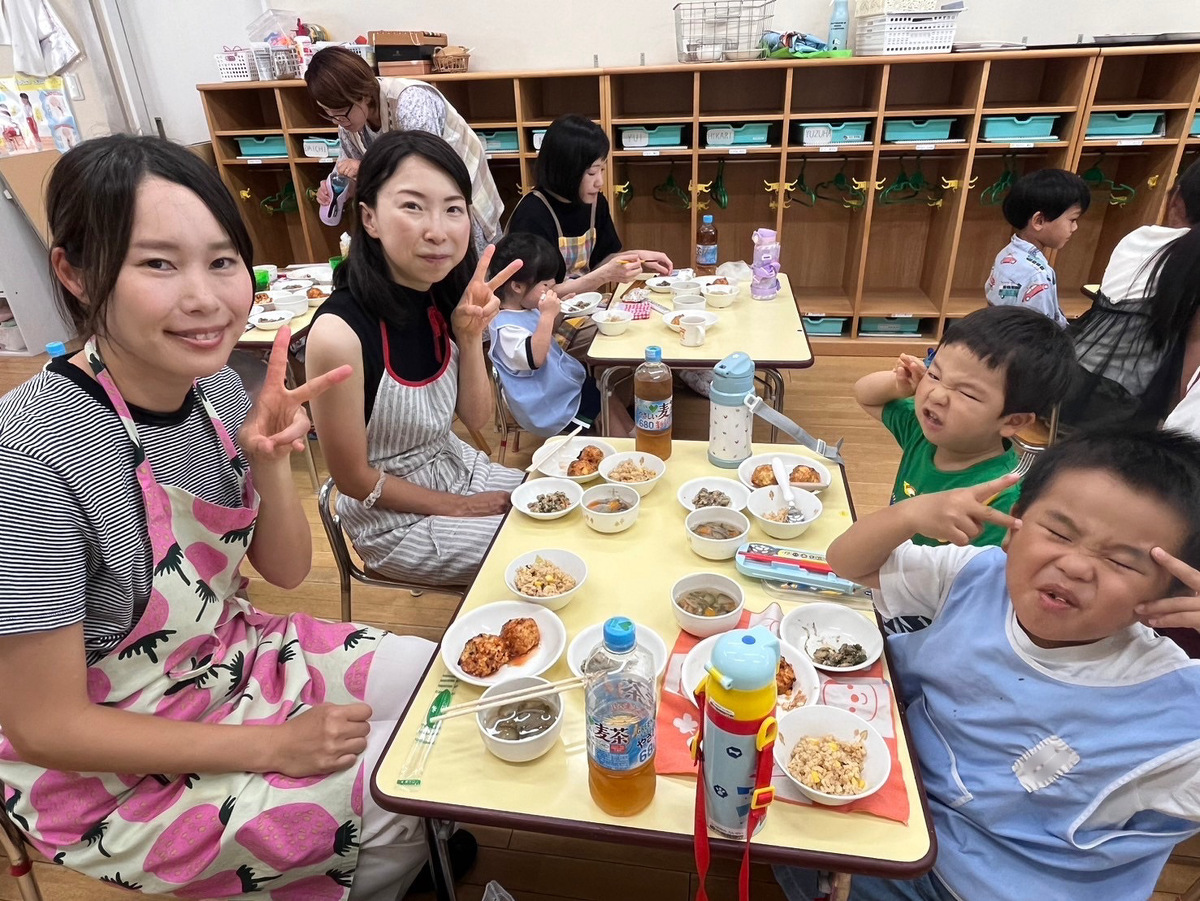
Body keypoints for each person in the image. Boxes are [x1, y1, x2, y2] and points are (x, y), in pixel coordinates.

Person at [0, 135, 443, 899]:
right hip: (105, 768)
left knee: (439, 683)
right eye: (158, 263)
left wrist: (268, 461)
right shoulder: (29, 458)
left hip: (226, 657)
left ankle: (384, 858)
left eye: (222, 260)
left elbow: (286, 572)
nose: (205, 298)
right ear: (75, 272)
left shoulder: (215, 391)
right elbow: (46, 726)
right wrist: (273, 746)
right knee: (399, 786)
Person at [775, 428, 1200, 901]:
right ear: (1015, 526)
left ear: (1173, 592)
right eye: (1059, 533)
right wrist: (911, 514)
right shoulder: (979, 575)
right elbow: (848, 562)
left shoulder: (1176, 711)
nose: (1076, 566)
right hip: (901, 811)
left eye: (1121, 562)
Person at [306, 130, 523, 586]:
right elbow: (353, 480)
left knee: (569, 504)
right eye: (412, 206)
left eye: (453, 209)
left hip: (457, 469)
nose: (437, 231)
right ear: (369, 218)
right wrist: (460, 508)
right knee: (542, 551)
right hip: (392, 523)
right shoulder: (339, 334)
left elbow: (477, 419)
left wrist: (469, 338)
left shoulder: (441, 293)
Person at [854, 305, 1075, 551]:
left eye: (967, 393)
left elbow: (978, 570)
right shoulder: (923, 432)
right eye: (934, 375)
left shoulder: (1000, 499)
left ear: (1013, 421)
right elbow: (865, 395)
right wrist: (898, 386)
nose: (937, 395)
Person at [304, 46, 502, 254]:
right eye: (328, 113)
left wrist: (365, 170)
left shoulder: (410, 102)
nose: (337, 121)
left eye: (340, 112)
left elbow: (426, 171)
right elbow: (351, 172)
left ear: (362, 95)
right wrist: (339, 188)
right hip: (415, 214)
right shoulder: (348, 123)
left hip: (461, 199)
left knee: (472, 267)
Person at [1062, 158, 1200, 430]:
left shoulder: (1139, 236)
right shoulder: (1190, 257)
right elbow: (1192, 362)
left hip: (1068, 377)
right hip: (1119, 407)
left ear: (1176, 199)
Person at [487, 231, 634, 437]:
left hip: (561, 388)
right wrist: (547, 315)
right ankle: (622, 444)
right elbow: (536, 358)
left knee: (604, 391)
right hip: (548, 406)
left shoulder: (526, 307)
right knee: (599, 404)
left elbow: (548, 334)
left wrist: (559, 312)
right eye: (546, 285)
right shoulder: (504, 328)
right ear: (517, 286)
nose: (551, 289)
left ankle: (632, 433)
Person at [506, 114, 672, 295]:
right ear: (566, 170)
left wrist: (637, 257)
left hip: (581, 306)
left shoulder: (596, 203)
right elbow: (532, 296)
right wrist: (603, 276)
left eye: (602, 169)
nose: (600, 182)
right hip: (539, 312)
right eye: (592, 173)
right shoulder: (532, 214)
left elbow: (601, 262)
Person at [985, 168, 1091, 326]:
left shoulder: (1006, 254)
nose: (1075, 227)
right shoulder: (1038, 275)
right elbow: (1042, 332)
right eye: (1072, 220)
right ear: (1038, 221)